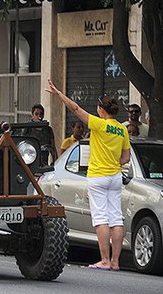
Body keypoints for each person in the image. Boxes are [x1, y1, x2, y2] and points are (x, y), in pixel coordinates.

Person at [47, 80, 130, 272]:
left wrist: (59, 94)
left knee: (101, 218)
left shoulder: (99, 124)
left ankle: (104, 260)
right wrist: (114, 162)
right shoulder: (123, 129)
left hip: (98, 176)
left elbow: (75, 108)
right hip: (115, 177)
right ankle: (116, 262)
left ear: (101, 110)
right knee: (116, 218)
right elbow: (125, 157)